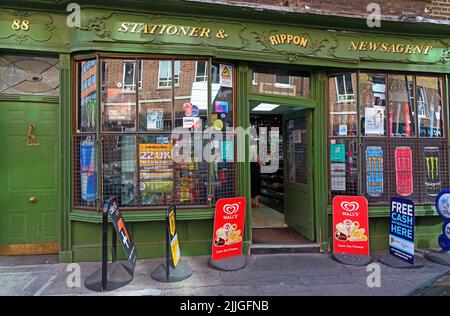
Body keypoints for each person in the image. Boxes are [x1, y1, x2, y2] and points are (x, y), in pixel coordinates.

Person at [250, 137, 263, 208]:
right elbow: (259, 161)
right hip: (255, 171)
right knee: (256, 186)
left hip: (250, 171)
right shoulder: (254, 151)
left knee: (251, 186)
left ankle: (252, 202)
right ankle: (257, 203)